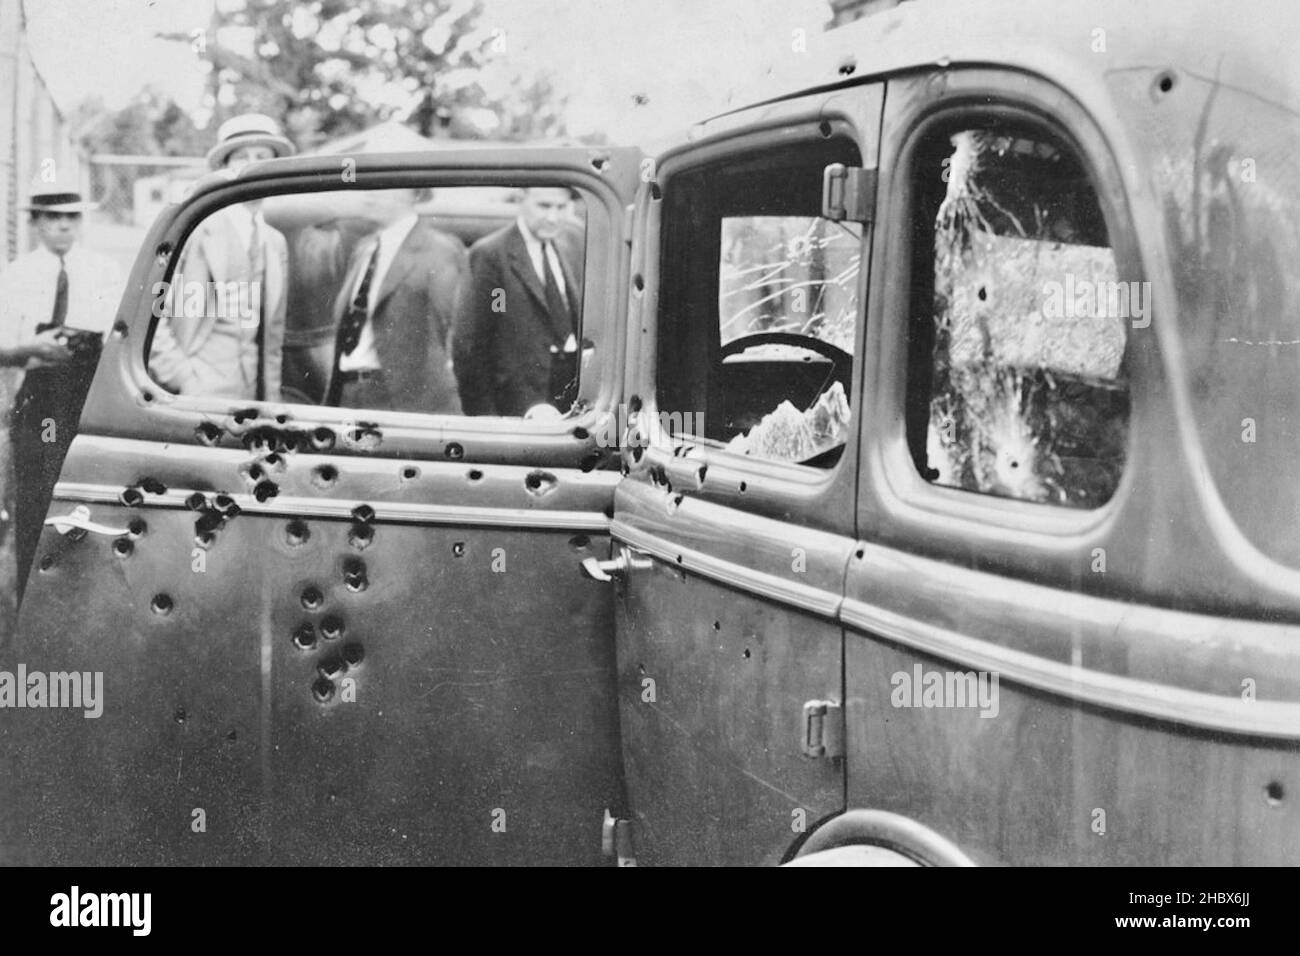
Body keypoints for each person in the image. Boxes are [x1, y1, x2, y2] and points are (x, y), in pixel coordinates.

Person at [0, 175, 124, 599]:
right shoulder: (16, 275)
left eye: (72, 217)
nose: (64, 226)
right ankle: (29, 603)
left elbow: (119, 336)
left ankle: (81, 601)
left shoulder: (105, 272)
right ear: (35, 222)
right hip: (36, 398)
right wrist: (26, 348)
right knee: (34, 499)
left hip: (86, 398)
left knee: (87, 497)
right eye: (53, 218)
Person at [149, 113, 293, 401]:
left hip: (252, 392)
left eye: (263, 156)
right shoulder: (196, 229)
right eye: (242, 157)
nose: (253, 165)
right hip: (199, 386)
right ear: (225, 169)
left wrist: (271, 397)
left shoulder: (275, 242)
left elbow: (274, 337)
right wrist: (182, 377)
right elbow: (153, 312)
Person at [322, 187, 467, 413]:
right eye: (369, 183)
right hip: (348, 395)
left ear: (415, 194)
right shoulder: (364, 249)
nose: (370, 193)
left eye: (384, 185)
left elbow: (456, 333)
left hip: (400, 402)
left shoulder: (439, 251)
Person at [453, 186, 585, 417]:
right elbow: (473, 343)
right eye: (543, 206)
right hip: (518, 400)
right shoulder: (493, 255)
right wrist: (486, 418)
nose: (553, 217)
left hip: (566, 395)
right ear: (521, 200)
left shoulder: (567, 246)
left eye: (561, 207)